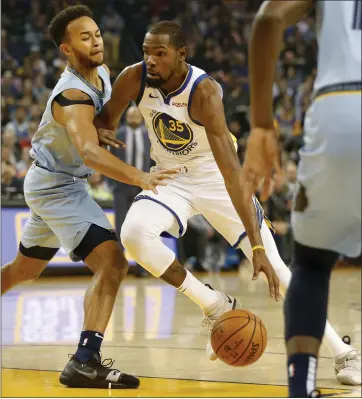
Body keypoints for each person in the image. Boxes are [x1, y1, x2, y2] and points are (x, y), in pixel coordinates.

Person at [96, 20, 360, 383]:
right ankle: (214, 304)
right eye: (146, 53)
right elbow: (105, 120)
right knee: (134, 235)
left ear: (181, 55)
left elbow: (233, 174)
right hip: (170, 176)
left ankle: (343, 353)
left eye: (160, 53)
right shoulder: (133, 78)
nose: (151, 61)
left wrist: (256, 245)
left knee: (279, 269)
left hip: (216, 177)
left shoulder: (204, 93)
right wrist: (100, 131)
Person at [1, 5, 179, 390]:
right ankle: (85, 360)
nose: (96, 40)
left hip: (55, 183)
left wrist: (101, 127)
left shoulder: (101, 74)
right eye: (85, 37)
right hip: (57, 187)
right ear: (66, 49)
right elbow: (89, 153)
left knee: (22, 271)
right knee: (113, 263)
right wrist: (140, 177)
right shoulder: (71, 94)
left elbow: (92, 126)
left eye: (97, 33)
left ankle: (85, 359)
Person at [243, 1, 361, 396]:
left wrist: (261, 125)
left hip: (340, 107)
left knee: (311, 263)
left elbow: (269, 18)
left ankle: (301, 386)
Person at [108, 105, 151, 239]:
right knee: (120, 221)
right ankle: (120, 254)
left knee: (141, 222)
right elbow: (109, 160)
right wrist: (111, 183)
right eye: (131, 115)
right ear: (126, 117)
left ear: (142, 118)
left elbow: (154, 161)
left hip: (142, 186)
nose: (133, 118)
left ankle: (141, 257)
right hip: (121, 185)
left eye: (136, 115)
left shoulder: (149, 137)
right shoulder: (118, 135)